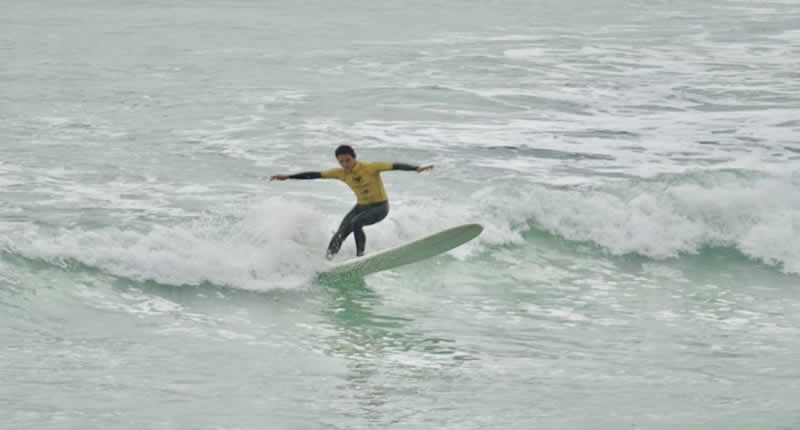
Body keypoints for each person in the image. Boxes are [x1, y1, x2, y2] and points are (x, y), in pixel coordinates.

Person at [271, 145, 433, 260]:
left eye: (347, 160)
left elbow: (394, 166)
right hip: (361, 207)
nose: (345, 164)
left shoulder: (371, 167)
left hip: (380, 207)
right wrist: (289, 176)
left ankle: (360, 256)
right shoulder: (340, 173)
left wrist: (416, 168)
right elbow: (314, 175)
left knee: (356, 223)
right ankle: (327, 261)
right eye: (341, 161)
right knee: (340, 234)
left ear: (354, 157)